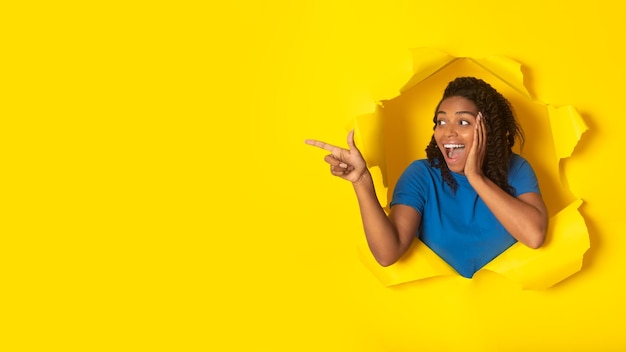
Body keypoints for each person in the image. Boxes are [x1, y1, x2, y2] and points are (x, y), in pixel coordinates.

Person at [305, 77, 548, 278]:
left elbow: (534, 236)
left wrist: (475, 177)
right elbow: (388, 254)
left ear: (487, 130)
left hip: (507, 313)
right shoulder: (421, 175)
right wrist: (361, 182)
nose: (447, 132)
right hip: (436, 316)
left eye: (463, 122)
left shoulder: (516, 169)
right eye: (440, 121)